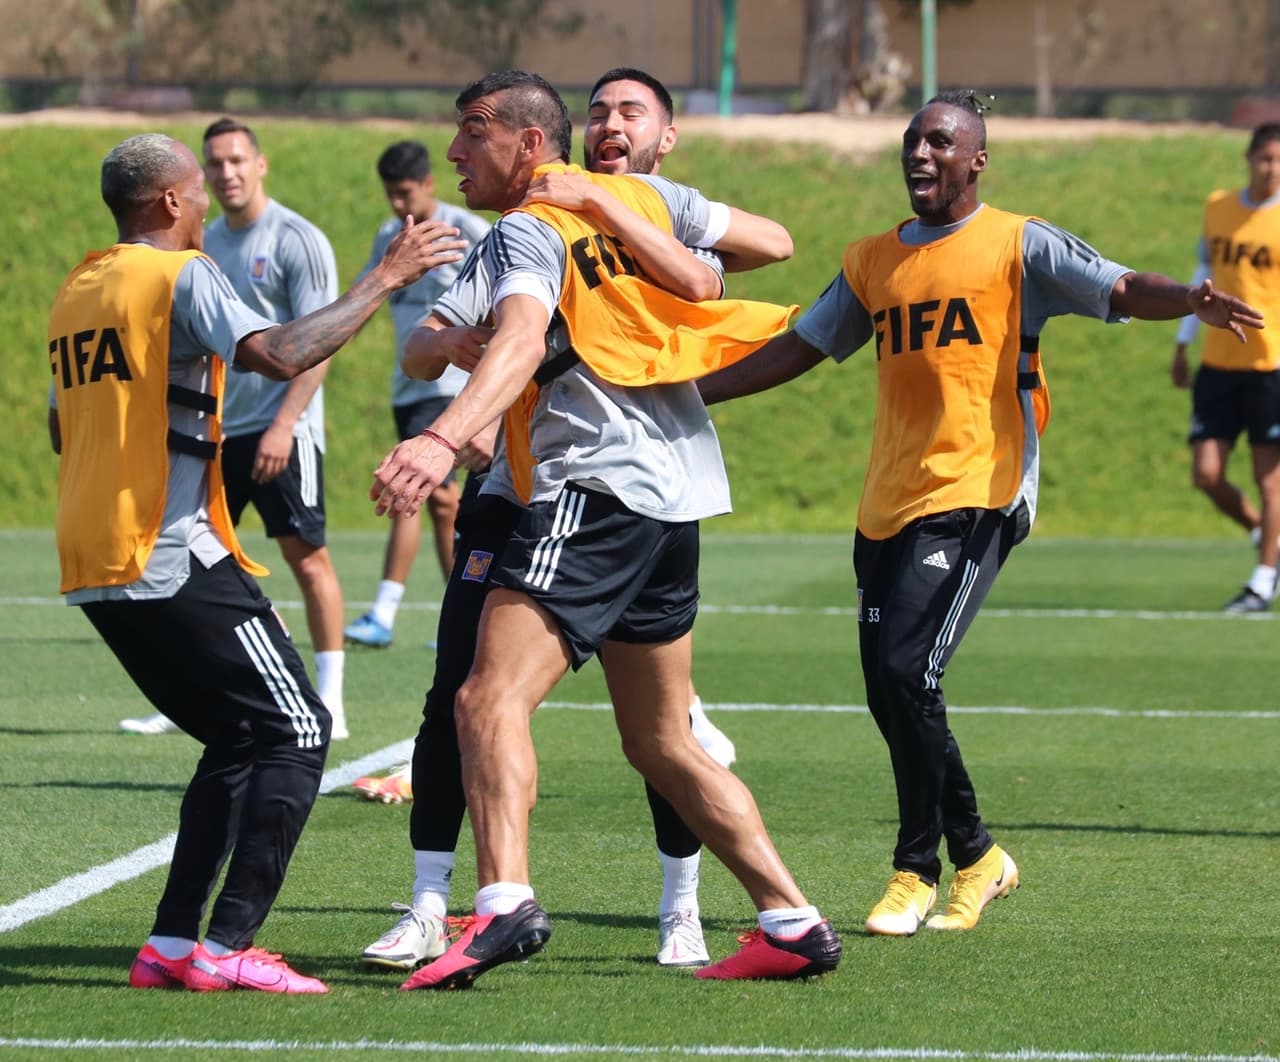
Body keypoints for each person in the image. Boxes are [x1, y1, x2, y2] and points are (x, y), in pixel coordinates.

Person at [695, 91, 1264, 938]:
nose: (920, 154)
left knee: (905, 672)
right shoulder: (871, 260)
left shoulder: (1019, 243)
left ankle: (912, 869)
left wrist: (1188, 300)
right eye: (912, 141)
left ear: (976, 159)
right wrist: (691, 395)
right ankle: (981, 855)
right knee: (893, 691)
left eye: (940, 141)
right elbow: (802, 346)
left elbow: (1117, 285)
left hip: (981, 490)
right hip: (888, 499)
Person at [369, 69, 841, 990]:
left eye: (473, 133)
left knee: (482, 700)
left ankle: (501, 905)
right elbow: (701, 275)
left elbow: (516, 340)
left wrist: (438, 435)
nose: (456, 153)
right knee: (662, 740)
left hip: (594, 484)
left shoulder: (531, 226)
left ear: (531, 146)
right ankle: (791, 919)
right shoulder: (620, 205)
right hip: (676, 495)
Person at [47, 133, 465, 992]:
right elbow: (277, 354)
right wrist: (383, 281)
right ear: (168, 203)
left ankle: (170, 947)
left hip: (92, 559)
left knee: (239, 738)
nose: (205, 203)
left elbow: (62, 427)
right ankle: (229, 945)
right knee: (299, 730)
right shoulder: (179, 275)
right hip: (162, 547)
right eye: (195, 190)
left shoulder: (78, 289)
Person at [119, 117, 351, 739]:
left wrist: (284, 424)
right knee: (194, 558)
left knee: (306, 559)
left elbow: (316, 342)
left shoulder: (298, 239)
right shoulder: (197, 241)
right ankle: (196, 694)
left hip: (280, 430)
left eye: (236, 160)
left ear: (260, 163)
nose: (225, 173)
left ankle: (332, 695)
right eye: (214, 163)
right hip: (212, 433)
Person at [343, 140, 493, 649]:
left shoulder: (467, 229)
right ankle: (465, 610)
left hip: (453, 387)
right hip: (407, 387)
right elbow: (369, 294)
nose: (398, 205)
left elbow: (513, 291)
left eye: (405, 193)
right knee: (444, 503)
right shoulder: (390, 237)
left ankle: (386, 610)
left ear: (428, 183)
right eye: (390, 195)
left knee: (415, 491)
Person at [1170, 122, 1280, 613]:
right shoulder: (1219, 207)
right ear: (1248, 158)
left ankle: (1262, 580)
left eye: (1279, 161)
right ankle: (1262, 532)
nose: (1272, 169)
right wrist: (1182, 342)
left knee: (1270, 478)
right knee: (1206, 473)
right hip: (1219, 362)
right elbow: (1203, 274)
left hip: (1270, 363)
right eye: (1265, 159)